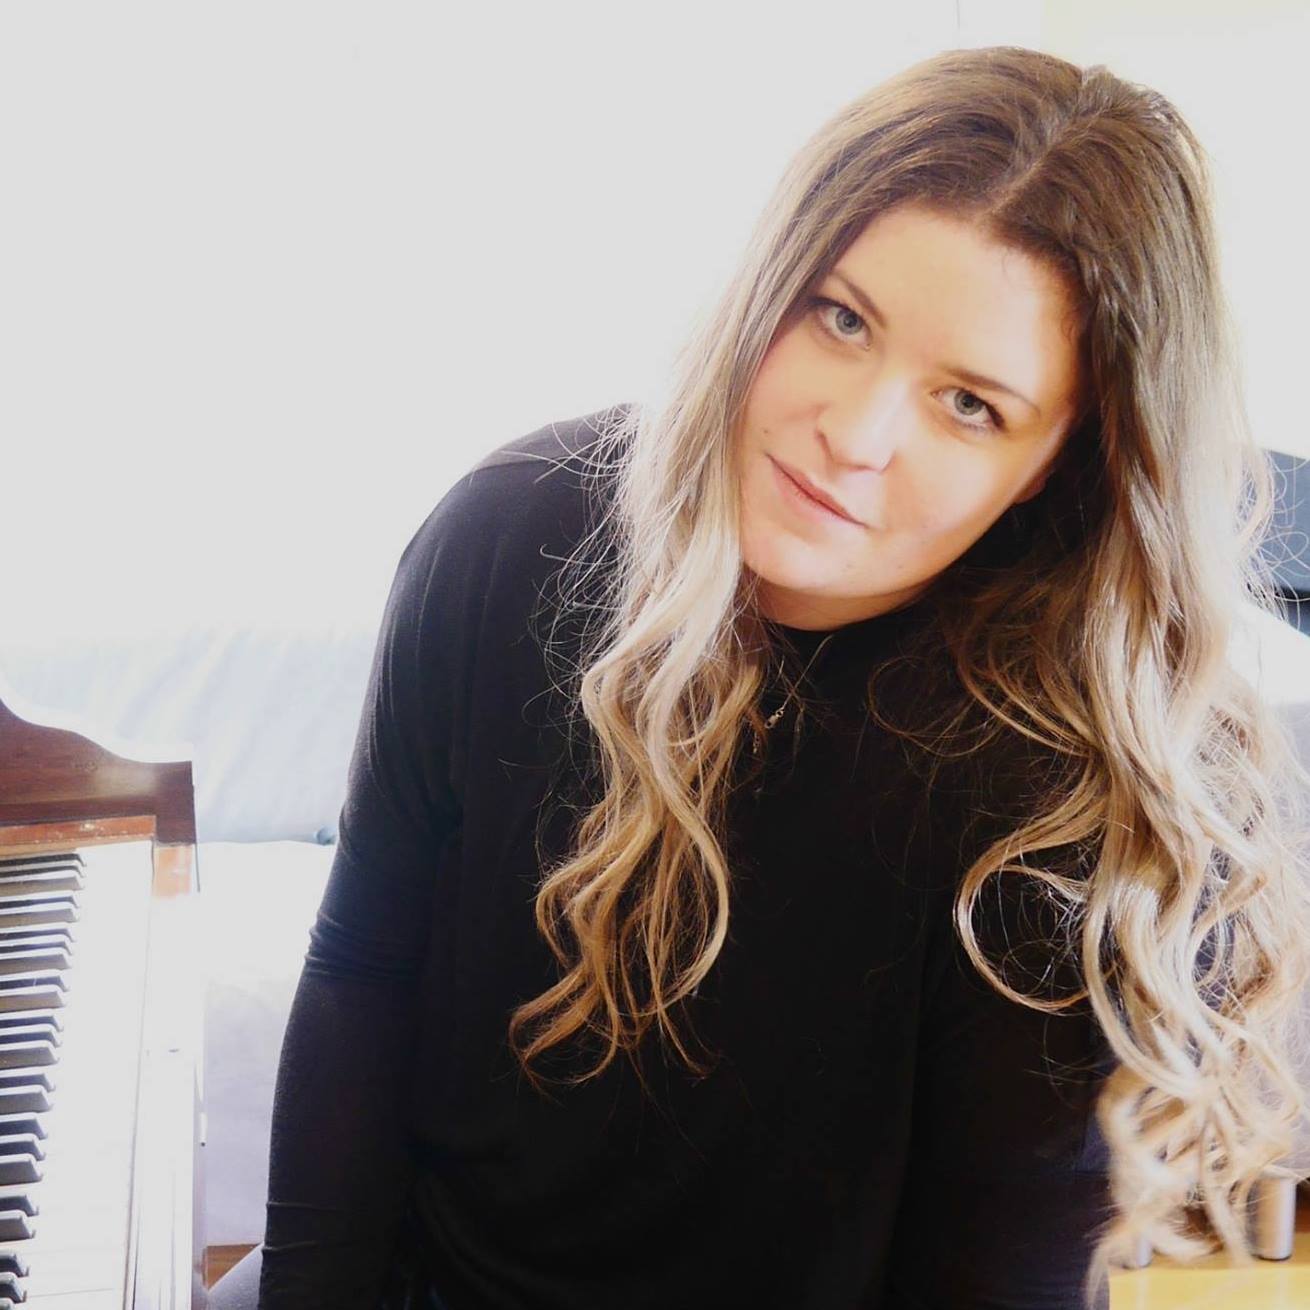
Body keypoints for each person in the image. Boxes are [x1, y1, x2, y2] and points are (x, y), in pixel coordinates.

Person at [216, 43, 1310, 1310]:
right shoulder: (508, 534)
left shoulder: (1069, 812)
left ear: (1058, 465)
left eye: (968, 404)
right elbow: (360, 971)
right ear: (766, 285)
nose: (853, 434)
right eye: (839, 318)